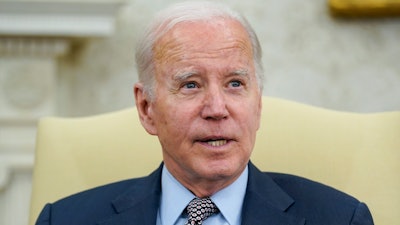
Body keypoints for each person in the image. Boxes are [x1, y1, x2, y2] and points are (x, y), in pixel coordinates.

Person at [35, 1, 374, 225]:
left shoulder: (340, 218)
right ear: (146, 108)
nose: (216, 109)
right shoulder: (64, 219)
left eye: (235, 84)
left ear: (258, 104)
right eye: (191, 85)